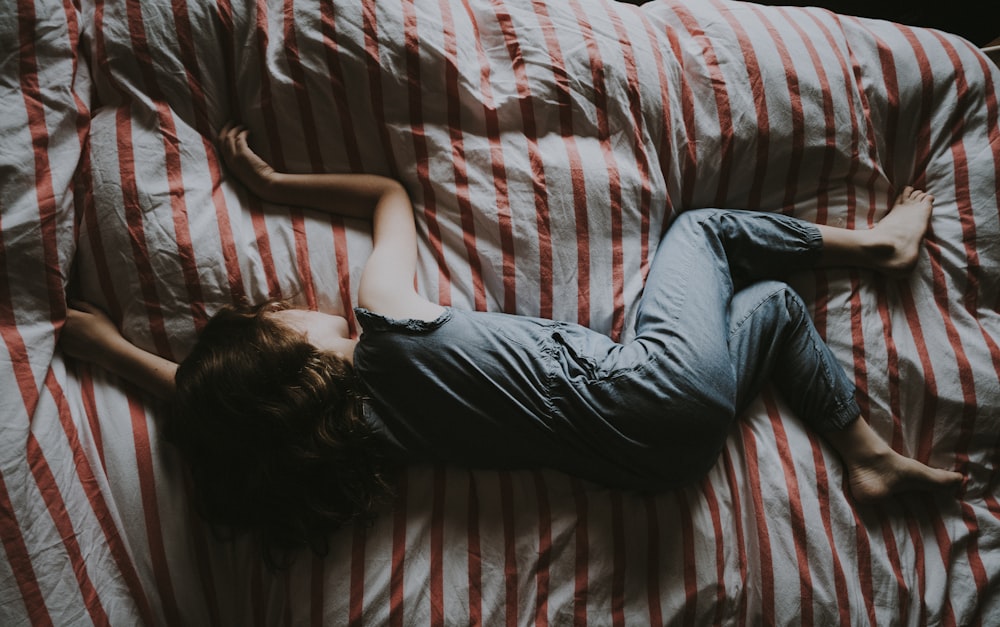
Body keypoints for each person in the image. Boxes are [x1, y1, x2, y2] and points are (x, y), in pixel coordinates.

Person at [61, 123, 964, 561]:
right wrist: (274, 181)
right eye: (274, 318)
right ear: (287, 358)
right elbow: (389, 196)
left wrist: (108, 352)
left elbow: (215, 404)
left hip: (660, 459)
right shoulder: (383, 325)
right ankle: (877, 245)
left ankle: (869, 456)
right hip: (654, 388)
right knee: (702, 232)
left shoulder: (378, 440)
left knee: (773, 306)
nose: (290, 305)